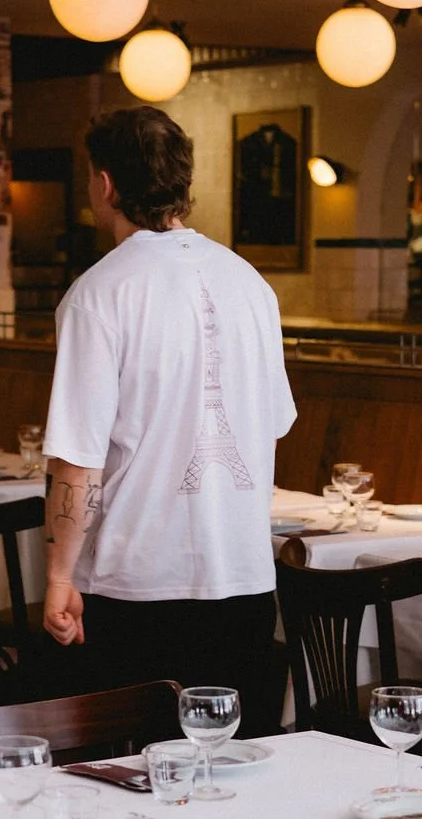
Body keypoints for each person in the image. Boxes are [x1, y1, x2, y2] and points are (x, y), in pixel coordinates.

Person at [42, 105, 296, 728]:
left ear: (105, 185)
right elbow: (275, 423)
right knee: (235, 782)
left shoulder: (98, 292)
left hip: (137, 588)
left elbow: (78, 459)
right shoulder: (253, 285)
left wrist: (57, 575)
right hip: (245, 583)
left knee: (133, 782)